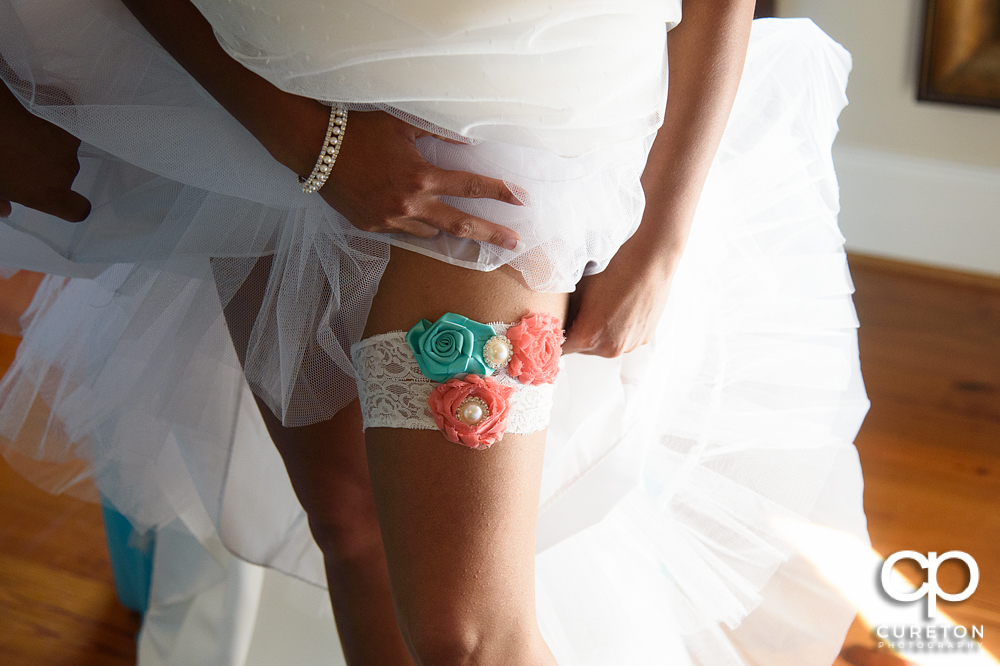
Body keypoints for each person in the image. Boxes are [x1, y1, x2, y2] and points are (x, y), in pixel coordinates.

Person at [0, 0, 871, 664]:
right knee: (347, 524)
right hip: (262, 110)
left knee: (469, 633)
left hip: (509, 119)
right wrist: (307, 141)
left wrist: (662, 228)